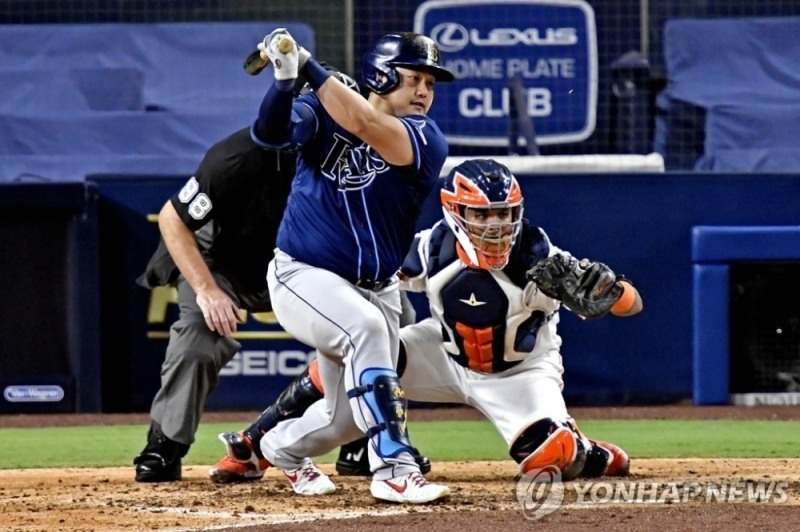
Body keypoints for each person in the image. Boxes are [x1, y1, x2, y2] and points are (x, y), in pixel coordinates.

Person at [210, 158, 640, 485]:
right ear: (455, 212)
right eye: (483, 214)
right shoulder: (431, 248)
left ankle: (586, 451)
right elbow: (365, 272)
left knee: (547, 457)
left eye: (504, 214)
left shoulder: (541, 258)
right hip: (444, 352)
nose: (496, 226)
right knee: (358, 356)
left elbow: (630, 307)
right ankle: (257, 445)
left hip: (518, 372)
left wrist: (613, 290)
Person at [237, 28, 455, 504]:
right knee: (366, 328)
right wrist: (284, 80)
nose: (423, 91)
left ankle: (279, 447)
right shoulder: (322, 108)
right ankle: (395, 467)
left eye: (431, 83)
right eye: (413, 78)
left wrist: (311, 69)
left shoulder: (426, 137)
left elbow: (363, 123)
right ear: (381, 73)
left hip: (376, 286)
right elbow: (269, 136)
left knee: (346, 418)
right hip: (303, 275)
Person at [131, 66, 366, 483]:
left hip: (301, 265)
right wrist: (206, 290)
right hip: (223, 264)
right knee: (198, 343)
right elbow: (173, 219)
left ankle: (362, 436)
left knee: (379, 319)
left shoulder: (359, 163)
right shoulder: (240, 154)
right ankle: (164, 445)